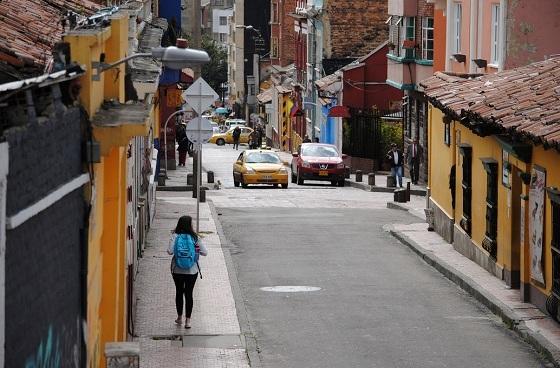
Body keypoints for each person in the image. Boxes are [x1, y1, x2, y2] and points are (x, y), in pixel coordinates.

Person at [167, 215, 208, 329]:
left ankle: (179, 318)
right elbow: (205, 252)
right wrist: (196, 250)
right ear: (190, 225)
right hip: (192, 270)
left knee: (179, 292)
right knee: (189, 294)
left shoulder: (175, 236)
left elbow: (169, 251)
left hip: (177, 270)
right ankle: (188, 321)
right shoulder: (195, 238)